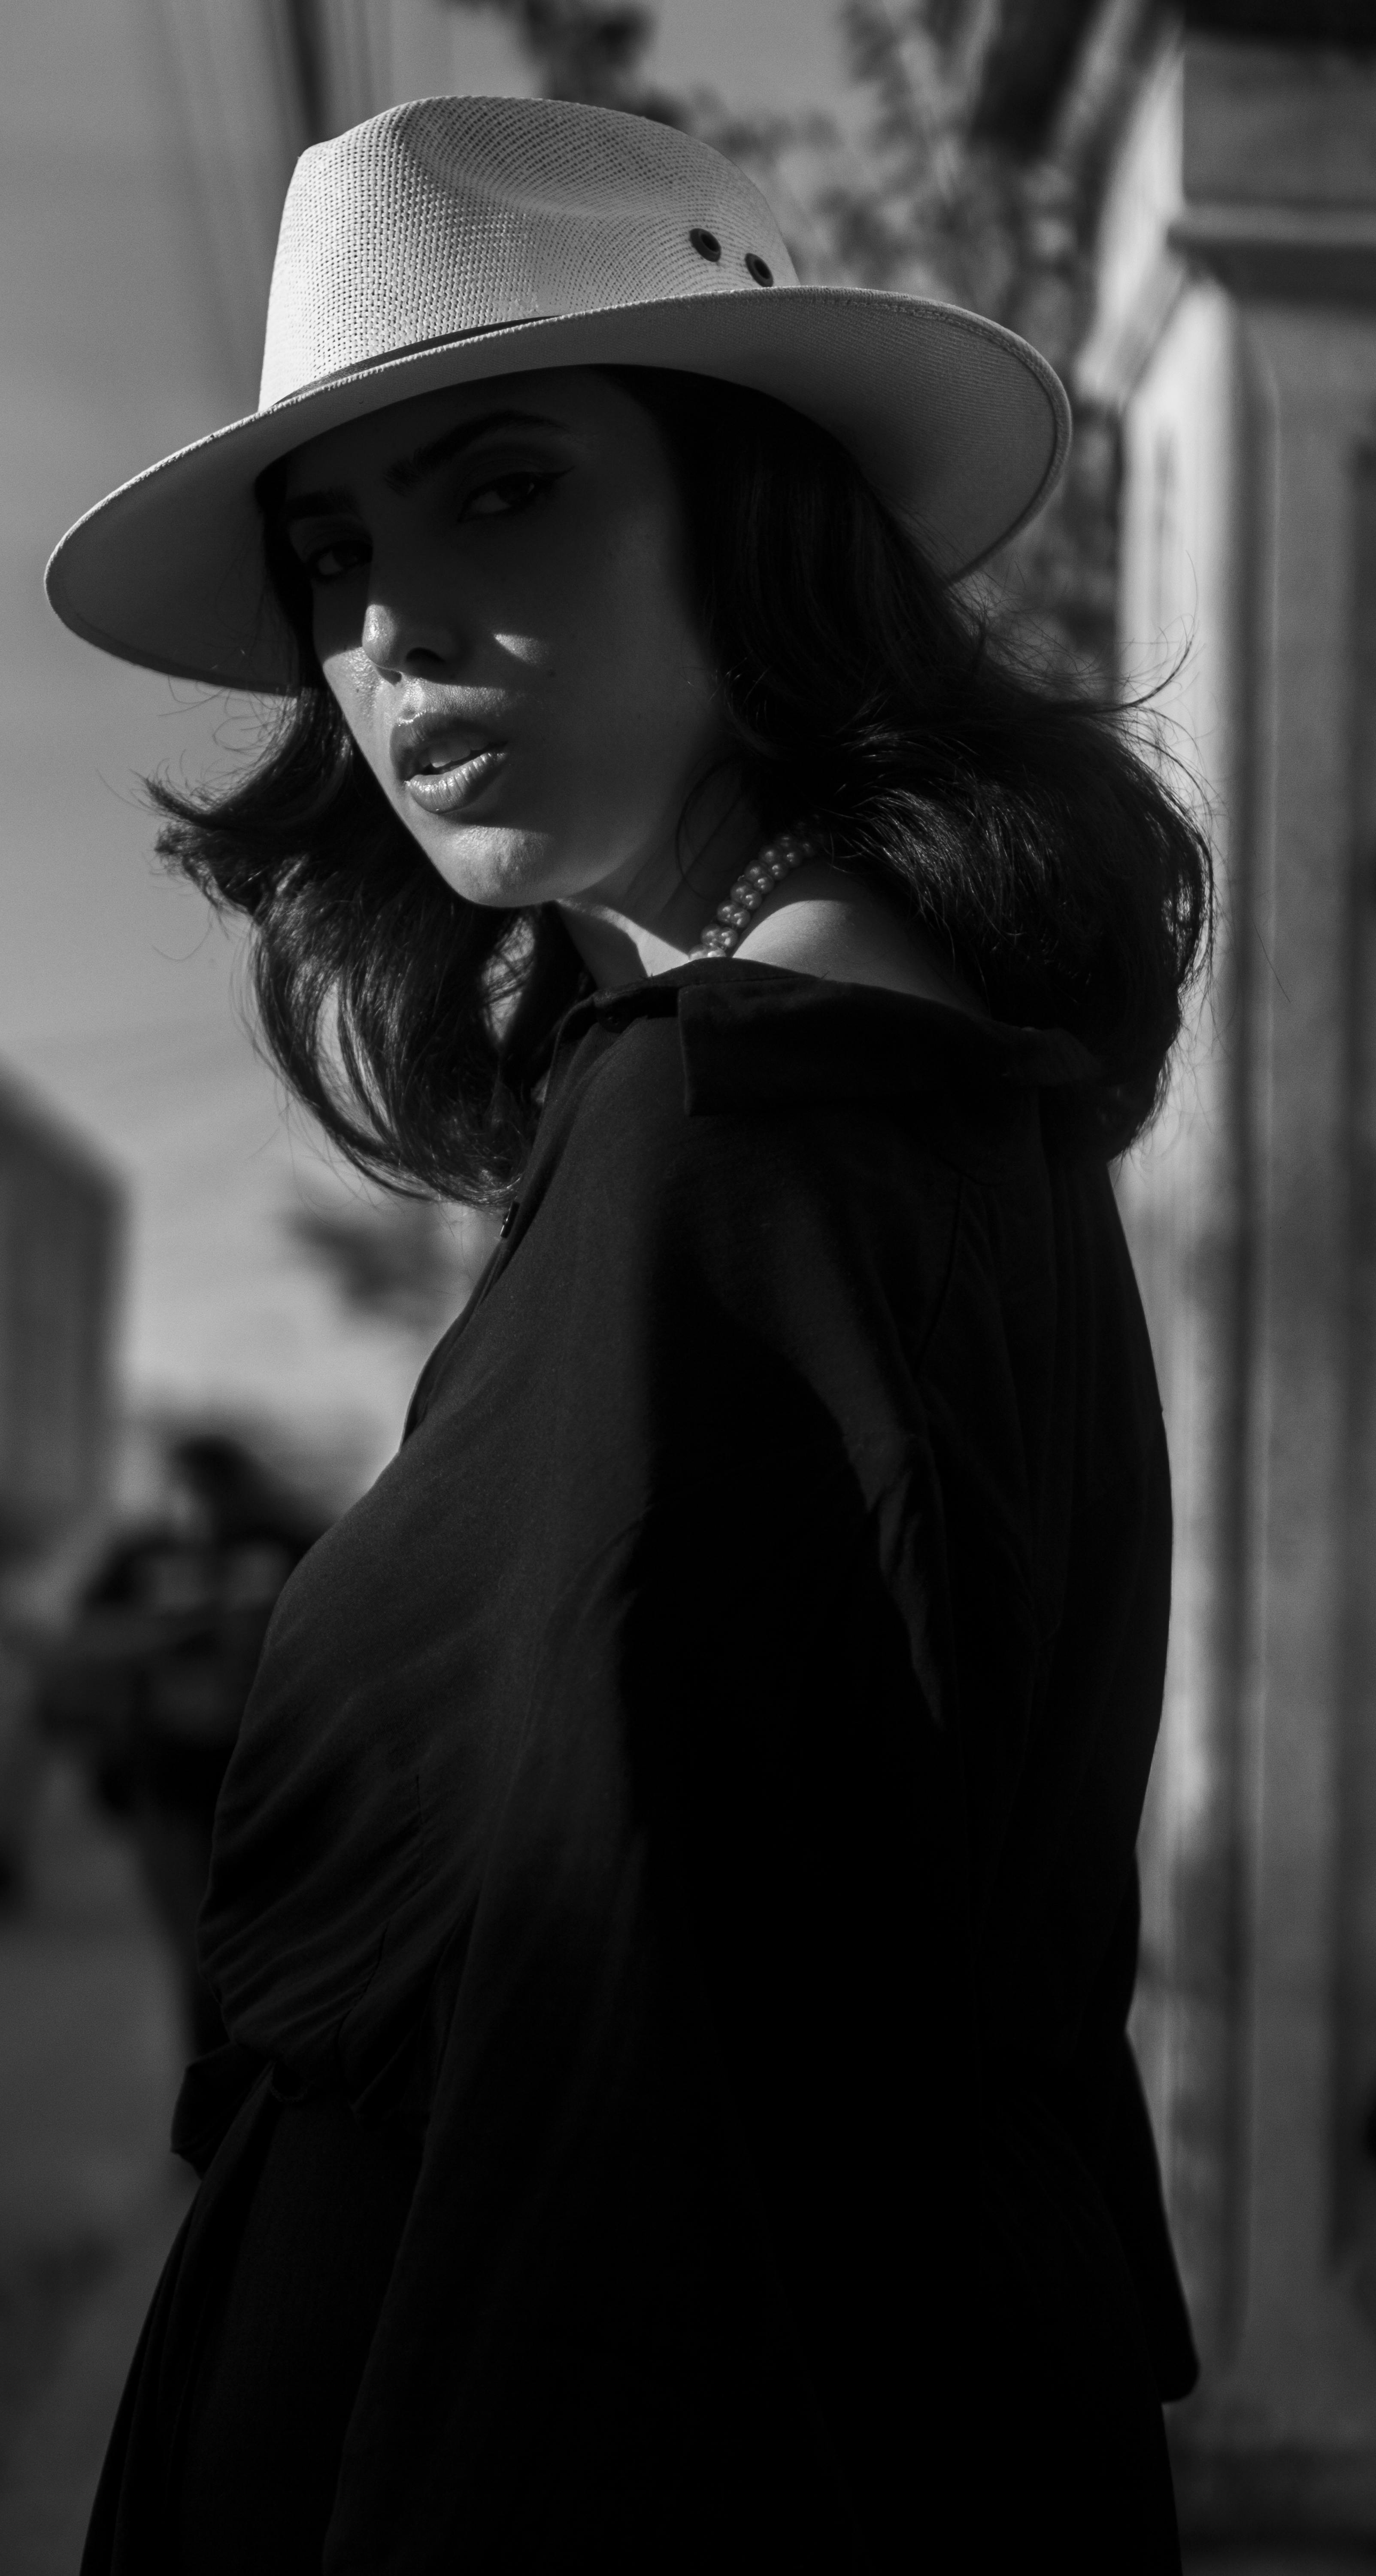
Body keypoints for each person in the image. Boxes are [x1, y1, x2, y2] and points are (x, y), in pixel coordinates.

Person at [47, 96, 1209, 2573]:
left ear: (751, 509)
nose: (390, 633)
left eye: (499, 490)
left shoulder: (735, 1134)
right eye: (335, 556)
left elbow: (627, 2116)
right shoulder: (904, 1107)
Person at [38, 1433, 327, 2057]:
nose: (196, 1505)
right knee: (194, 1949)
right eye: (184, 1487)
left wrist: (263, 1635)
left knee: (260, 1941)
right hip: (169, 1774)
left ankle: (245, 2071)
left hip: (271, 1776)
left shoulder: (292, 1544)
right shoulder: (148, 1551)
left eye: (208, 1487)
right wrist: (160, 1637)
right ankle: (210, 2078)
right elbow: (82, 1640)